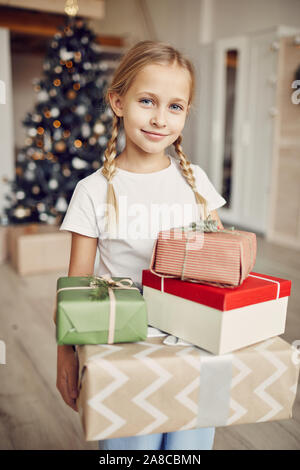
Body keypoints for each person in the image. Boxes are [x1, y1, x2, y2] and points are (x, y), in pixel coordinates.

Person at [55, 40, 226, 451]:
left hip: (194, 344)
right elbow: (77, 281)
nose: (159, 118)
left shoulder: (195, 181)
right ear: (118, 101)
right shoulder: (93, 191)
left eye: (175, 106)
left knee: (189, 449)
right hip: (122, 347)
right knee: (131, 449)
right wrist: (67, 354)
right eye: (147, 101)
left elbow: (222, 265)